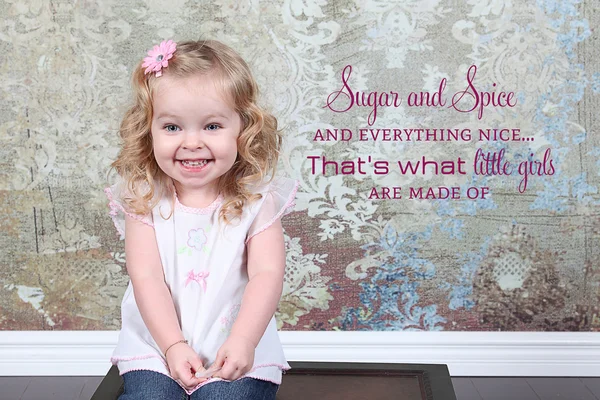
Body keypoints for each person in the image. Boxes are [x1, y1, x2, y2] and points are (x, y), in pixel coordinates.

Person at [103, 38, 299, 399]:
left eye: (211, 126)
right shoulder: (145, 199)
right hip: (157, 345)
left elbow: (266, 274)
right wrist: (173, 345)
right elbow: (146, 277)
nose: (192, 142)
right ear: (149, 130)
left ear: (244, 128)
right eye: (173, 127)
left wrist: (243, 340)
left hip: (236, 342)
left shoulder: (257, 200)